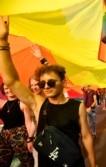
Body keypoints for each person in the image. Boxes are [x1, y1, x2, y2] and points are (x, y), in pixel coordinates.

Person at [0, 16, 96, 167]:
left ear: (63, 83)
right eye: (42, 83)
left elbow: (86, 136)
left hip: (72, 162)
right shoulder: (38, 103)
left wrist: (93, 162)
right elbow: (12, 81)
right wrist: (3, 42)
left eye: (51, 82)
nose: (46, 86)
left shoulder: (77, 107)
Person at [0, 83, 34, 167]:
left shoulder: (22, 103)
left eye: (11, 88)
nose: (9, 90)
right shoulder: (3, 103)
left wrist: (30, 139)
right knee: (2, 160)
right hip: (4, 135)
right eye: (6, 88)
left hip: (20, 135)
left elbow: (29, 122)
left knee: (26, 161)